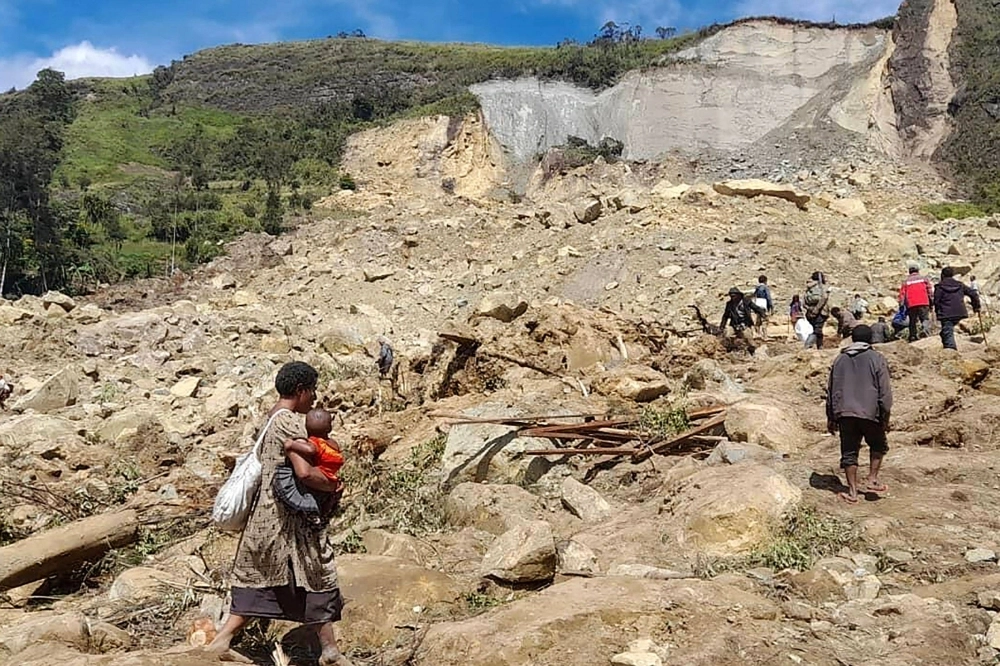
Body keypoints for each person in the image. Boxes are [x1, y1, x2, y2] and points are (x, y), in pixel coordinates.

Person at [208, 362, 353, 666]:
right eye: (311, 391)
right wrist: (332, 483)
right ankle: (330, 651)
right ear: (300, 391)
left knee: (263, 581)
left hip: (266, 521)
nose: (314, 398)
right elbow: (307, 468)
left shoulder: (272, 418)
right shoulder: (289, 422)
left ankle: (222, 640)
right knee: (316, 575)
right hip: (287, 525)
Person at [826, 325, 892, 504]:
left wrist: (831, 417)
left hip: (845, 413)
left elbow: (831, 389)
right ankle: (872, 478)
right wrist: (885, 414)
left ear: (853, 339)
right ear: (870, 339)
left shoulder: (839, 359)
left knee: (849, 452)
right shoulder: (876, 358)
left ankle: (853, 492)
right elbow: (884, 390)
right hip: (870, 412)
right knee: (878, 445)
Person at [933, 266, 981, 350]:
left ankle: (951, 352)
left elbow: (936, 301)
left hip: (946, 313)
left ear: (942, 275)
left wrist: (938, 312)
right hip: (960, 312)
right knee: (945, 333)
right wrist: (976, 307)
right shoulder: (960, 285)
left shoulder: (939, 287)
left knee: (947, 332)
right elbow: (973, 294)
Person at [899, 265, 933, 341]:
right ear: (918, 271)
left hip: (911, 304)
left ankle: (913, 336)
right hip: (924, 302)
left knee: (912, 321)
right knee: (925, 319)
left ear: (909, 272)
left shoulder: (906, 282)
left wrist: (901, 305)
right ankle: (925, 331)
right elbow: (930, 292)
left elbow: (902, 295)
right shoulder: (924, 279)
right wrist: (931, 302)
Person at [804, 272, 830, 349]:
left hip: (810, 312)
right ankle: (808, 344)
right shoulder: (821, 287)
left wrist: (809, 309)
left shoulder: (809, 287)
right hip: (821, 312)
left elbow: (803, 302)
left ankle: (820, 346)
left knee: (818, 329)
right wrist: (816, 309)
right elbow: (824, 298)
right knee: (817, 330)